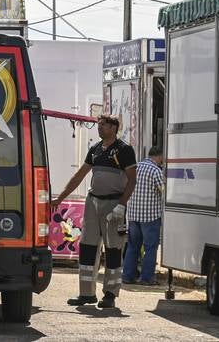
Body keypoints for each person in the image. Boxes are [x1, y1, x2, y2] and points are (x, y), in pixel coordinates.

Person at [51, 114, 137, 311]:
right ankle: (86, 293)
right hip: (93, 202)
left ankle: (110, 295)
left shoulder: (124, 150)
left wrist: (122, 205)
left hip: (113, 203)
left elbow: (132, 180)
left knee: (113, 249)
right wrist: (60, 198)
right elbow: (79, 175)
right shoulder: (95, 149)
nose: (99, 128)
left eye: (103, 125)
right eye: (98, 125)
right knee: (88, 247)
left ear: (114, 128)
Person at [123, 145, 166, 285]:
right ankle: (146, 278)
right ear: (159, 156)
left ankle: (127, 276)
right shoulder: (156, 171)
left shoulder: (136, 167)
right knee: (150, 248)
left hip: (133, 215)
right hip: (150, 217)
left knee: (132, 247)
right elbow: (163, 191)